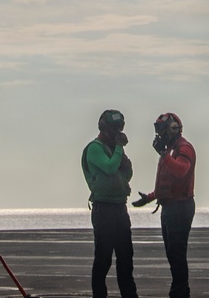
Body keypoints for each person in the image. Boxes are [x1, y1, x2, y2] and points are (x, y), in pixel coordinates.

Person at [132, 112, 197, 298]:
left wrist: (163, 154)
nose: (159, 135)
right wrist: (150, 198)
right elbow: (168, 182)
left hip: (180, 207)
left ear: (173, 129)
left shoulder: (184, 149)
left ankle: (180, 292)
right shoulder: (171, 151)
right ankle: (179, 291)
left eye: (161, 130)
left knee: (176, 254)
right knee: (172, 254)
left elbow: (181, 172)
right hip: (170, 207)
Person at [82, 109, 138, 298]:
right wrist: (120, 148)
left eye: (119, 128)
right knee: (103, 258)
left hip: (119, 207)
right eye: (114, 128)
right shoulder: (94, 148)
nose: (117, 132)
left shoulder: (114, 148)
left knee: (125, 257)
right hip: (103, 208)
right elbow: (109, 167)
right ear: (105, 128)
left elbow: (126, 173)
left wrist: (122, 159)